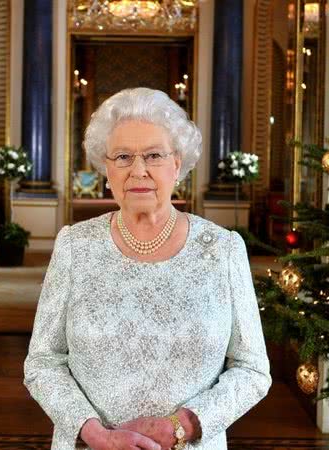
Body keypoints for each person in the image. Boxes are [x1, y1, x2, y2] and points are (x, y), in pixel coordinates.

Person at [24, 87, 271, 450]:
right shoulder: (75, 245)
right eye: (122, 156)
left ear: (177, 164)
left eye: (153, 155)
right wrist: (97, 435)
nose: (137, 170)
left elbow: (253, 371)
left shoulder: (222, 249)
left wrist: (181, 426)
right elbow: (42, 363)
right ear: (106, 168)